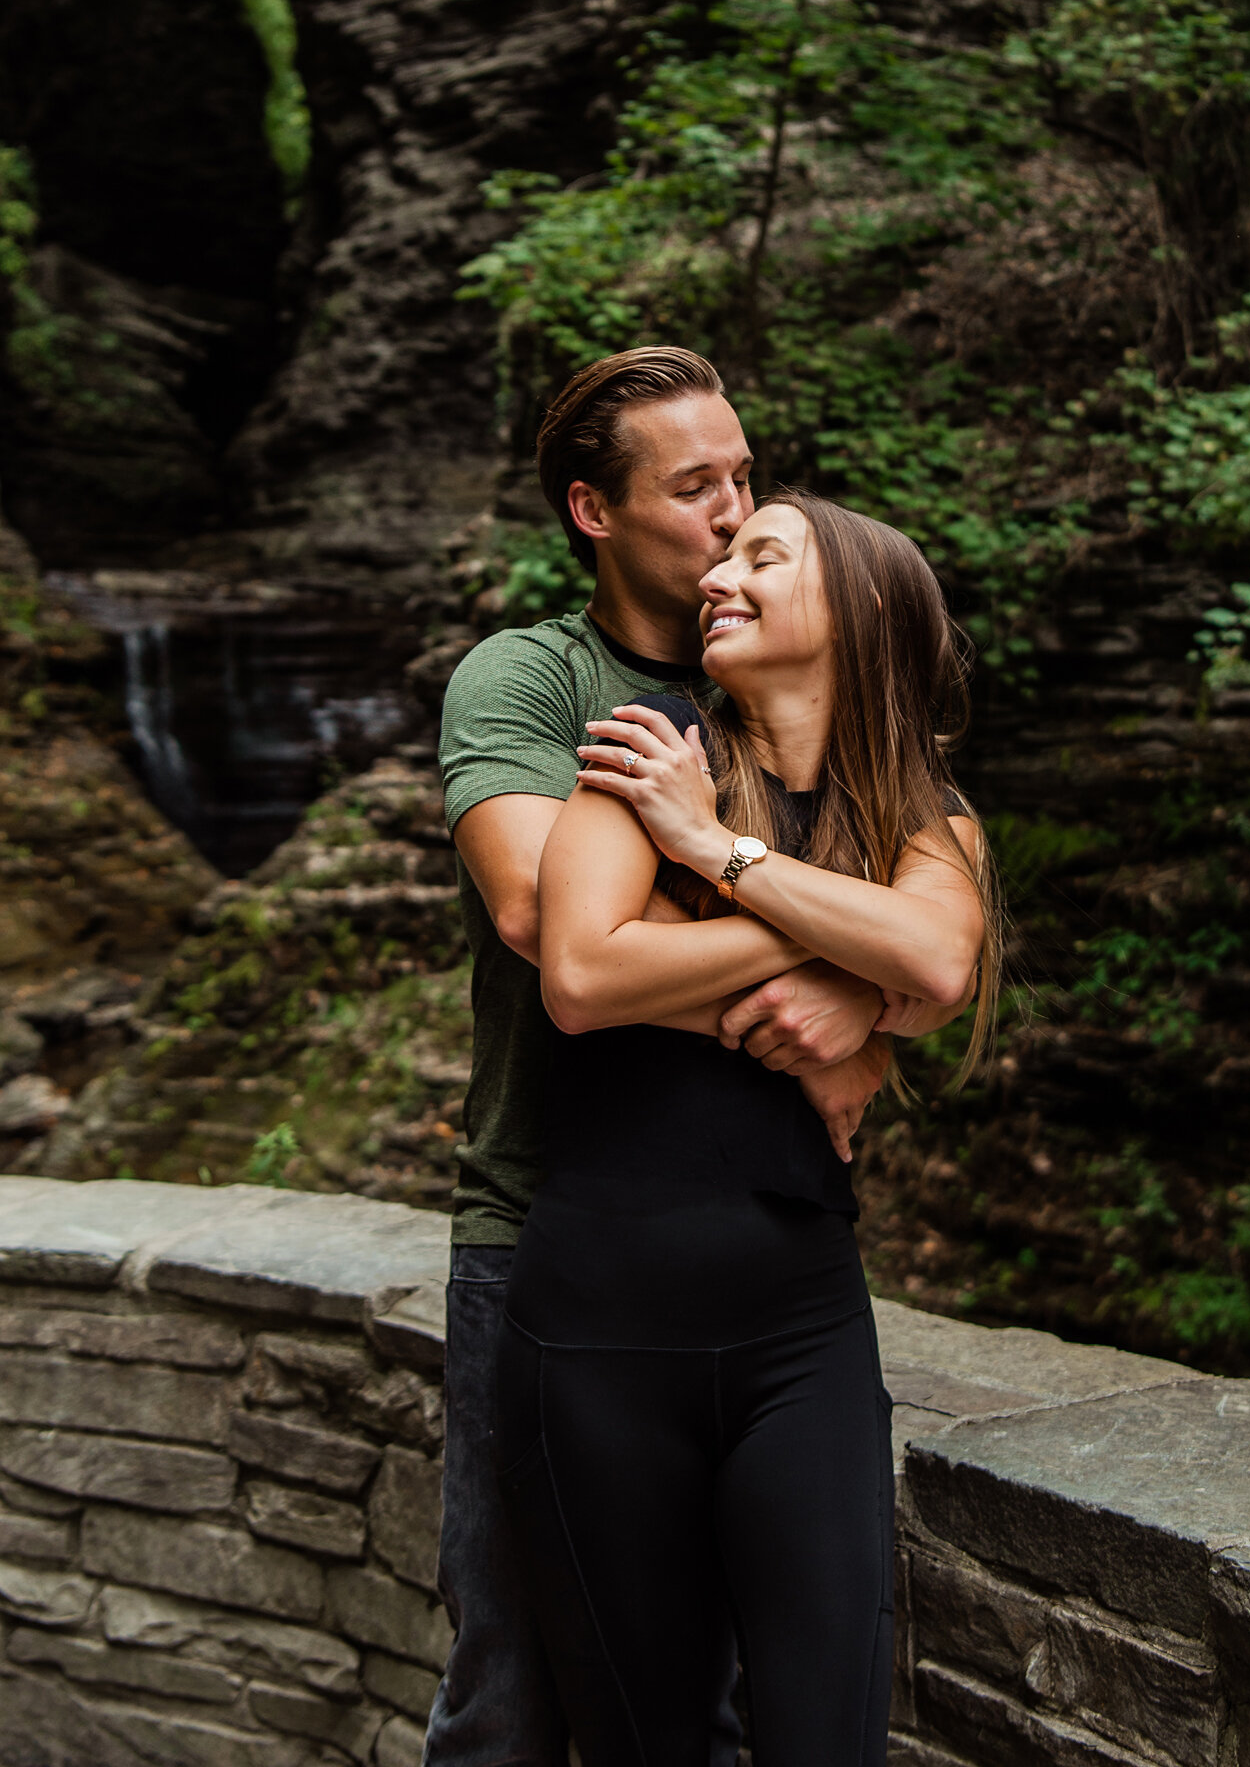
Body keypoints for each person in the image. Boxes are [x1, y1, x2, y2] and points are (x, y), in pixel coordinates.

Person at [426, 350, 967, 1767]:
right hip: (545, 1225)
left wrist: (871, 979)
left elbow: (938, 962)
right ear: (595, 512)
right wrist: (838, 955)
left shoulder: (868, 760)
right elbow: (560, 933)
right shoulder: (554, 688)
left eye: (746, 485)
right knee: (514, 1696)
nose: (730, 519)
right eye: (695, 489)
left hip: (774, 1263)